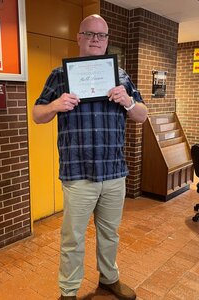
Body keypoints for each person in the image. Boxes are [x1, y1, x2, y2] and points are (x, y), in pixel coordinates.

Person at [33, 14, 148, 300]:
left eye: (101, 35)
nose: (96, 40)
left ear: (107, 41)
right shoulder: (60, 76)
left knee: (110, 234)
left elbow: (142, 116)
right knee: (72, 239)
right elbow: (37, 115)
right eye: (90, 34)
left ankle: (109, 279)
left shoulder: (121, 77)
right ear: (79, 37)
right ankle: (69, 292)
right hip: (78, 172)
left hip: (113, 171)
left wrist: (129, 101)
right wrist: (56, 105)